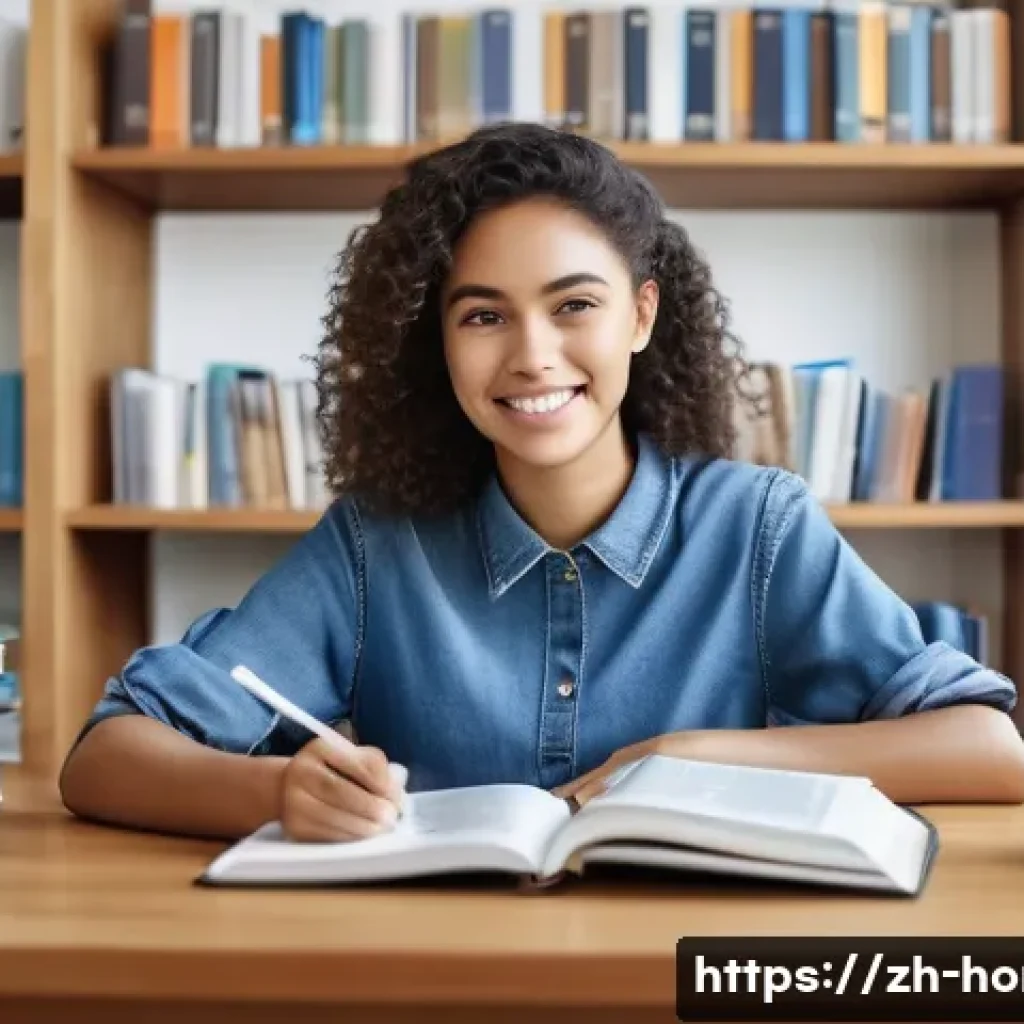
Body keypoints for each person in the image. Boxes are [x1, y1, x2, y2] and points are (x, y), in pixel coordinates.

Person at [60, 122, 1024, 844]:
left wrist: (689, 756)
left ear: (642, 316)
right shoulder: (375, 544)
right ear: (435, 340)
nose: (533, 355)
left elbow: (990, 748)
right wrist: (277, 792)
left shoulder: (757, 528)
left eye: (575, 306)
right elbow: (104, 758)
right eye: (483, 316)